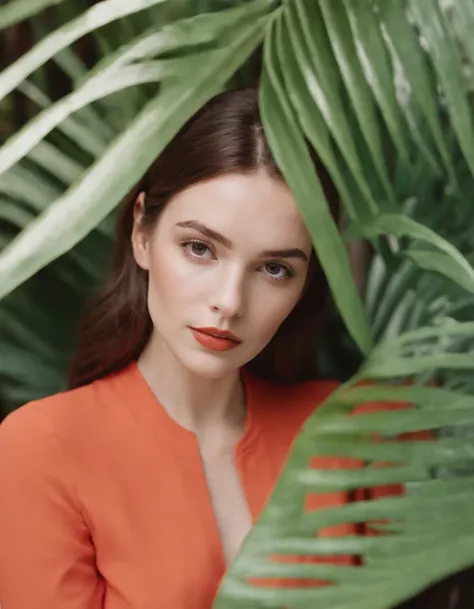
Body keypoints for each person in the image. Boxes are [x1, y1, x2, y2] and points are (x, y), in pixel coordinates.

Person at [0, 87, 381, 609]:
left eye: (274, 269)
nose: (229, 302)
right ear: (142, 232)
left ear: (305, 281)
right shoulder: (41, 449)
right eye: (200, 248)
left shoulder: (347, 430)